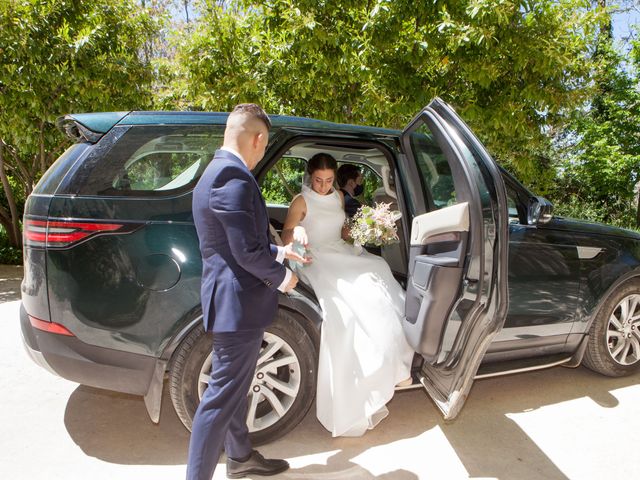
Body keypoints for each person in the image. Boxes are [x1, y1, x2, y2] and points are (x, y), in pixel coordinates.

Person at [187, 103, 308, 480]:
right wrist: (284, 277)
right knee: (219, 400)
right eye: (264, 143)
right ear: (258, 138)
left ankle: (240, 458)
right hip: (237, 304)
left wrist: (279, 250)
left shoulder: (216, 172)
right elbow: (245, 252)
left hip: (233, 303)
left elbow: (234, 241)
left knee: (235, 386)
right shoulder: (233, 178)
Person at [281, 153, 414, 437]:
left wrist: (359, 231)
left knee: (377, 267)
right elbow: (287, 234)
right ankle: (383, 370)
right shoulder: (300, 201)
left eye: (328, 180)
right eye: (318, 180)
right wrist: (298, 233)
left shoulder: (339, 197)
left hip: (339, 250)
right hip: (315, 257)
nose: (323, 186)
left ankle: (397, 362)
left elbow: (340, 231)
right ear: (310, 176)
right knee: (353, 293)